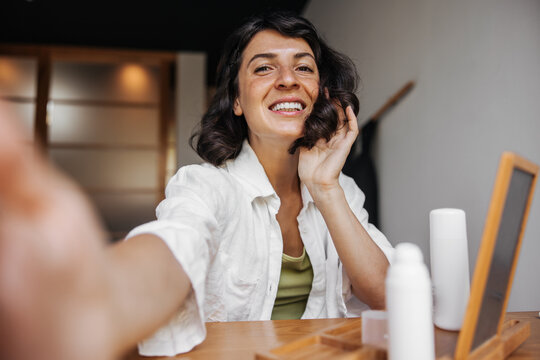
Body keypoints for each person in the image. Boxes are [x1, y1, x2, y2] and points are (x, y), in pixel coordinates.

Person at [0, 11, 393, 360]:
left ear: (320, 93)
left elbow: (390, 296)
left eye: (304, 68)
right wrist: (94, 303)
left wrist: (325, 189)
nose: (288, 79)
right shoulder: (205, 186)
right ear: (237, 100)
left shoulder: (341, 190)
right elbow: (175, 245)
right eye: (263, 68)